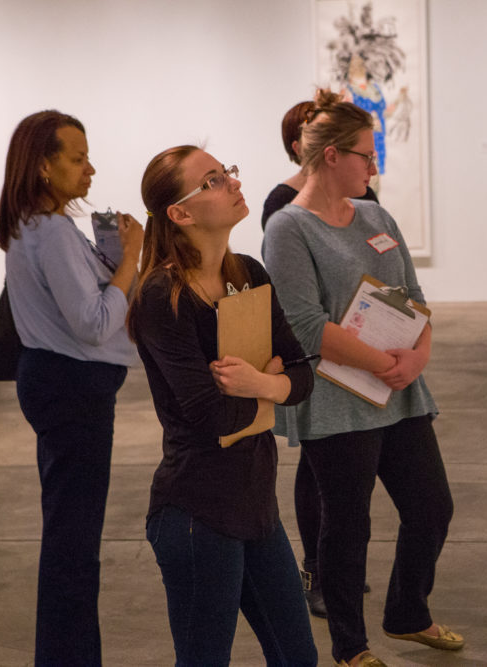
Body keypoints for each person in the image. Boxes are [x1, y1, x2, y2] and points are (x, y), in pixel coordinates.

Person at [262, 89, 462, 667]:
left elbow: (414, 298)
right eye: (365, 156)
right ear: (329, 157)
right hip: (337, 399)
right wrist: (382, 363)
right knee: (346, 526)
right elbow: (304, 324)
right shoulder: (287, 228)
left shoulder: (375, 214)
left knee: (432, 507)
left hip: (400, 393)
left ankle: (407, 612)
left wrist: (417, 358)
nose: (373, 167)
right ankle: (351, 646)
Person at [127, 145, 318, 666]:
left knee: (299, 657)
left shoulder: (249, 274)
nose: (233, 182)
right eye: (212, 180)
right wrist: (272, 391)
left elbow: (303, 377)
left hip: (257, 506)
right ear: (180, 214)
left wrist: (260, 383)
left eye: (226, 172)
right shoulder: (161, 297)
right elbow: (212, 418)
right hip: (197, 512)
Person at [0, 110, 143, 665]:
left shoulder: (35, 225)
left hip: (57, 383)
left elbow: (79, 302)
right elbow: (94, 321)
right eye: (77, 159)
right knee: (74, 548)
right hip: (71, 389)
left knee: (69, 541)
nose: (90, 169)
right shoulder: (51, 231)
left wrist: (107, 254)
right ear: (43, 166)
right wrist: (130, 261)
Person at [262, 99, 377, 619]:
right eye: (364, 154)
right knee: (320, 478)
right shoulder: (283, 213)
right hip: (320, 367)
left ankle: (335, 575)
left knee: (347, 497)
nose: (372, 168)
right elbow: (302, 312)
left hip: (365, 361)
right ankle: (319, 574)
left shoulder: (366, 202)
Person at [261, 99, 378, 232]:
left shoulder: (367, 201)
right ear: (298, 147)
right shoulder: (281, 208)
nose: (373, 170)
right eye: (366, 157)